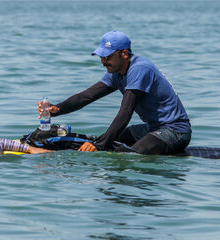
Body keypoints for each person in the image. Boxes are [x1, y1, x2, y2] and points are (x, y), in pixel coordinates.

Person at [38, 30, 191, 155]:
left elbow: (126, 111)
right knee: (111, 141)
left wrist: (101, 145)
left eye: (107, 57)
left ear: (124, 54)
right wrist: (57, 109)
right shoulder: (116, 73)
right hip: (151, 128)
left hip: (176, 131)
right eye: (101, 57)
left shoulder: (140, 69)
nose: (103, 62)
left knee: (131, 155)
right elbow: (86, 96)